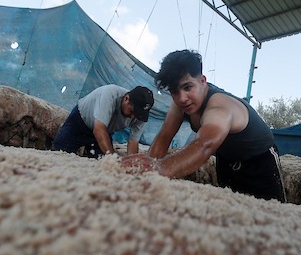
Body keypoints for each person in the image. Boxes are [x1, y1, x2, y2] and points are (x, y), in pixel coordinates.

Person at [121, 49, 286, 202]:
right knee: (230, 211)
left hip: (259, 162)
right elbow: (164, 136)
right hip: (226, 161)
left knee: (273, 218)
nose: (182, 98)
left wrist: (160, 168)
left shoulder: (220, 106)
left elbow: (205, 144)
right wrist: (145, 168)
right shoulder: (180, 105)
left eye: (187, 87)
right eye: (174, 91)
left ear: (203, 81)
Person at [53, 84, 154, 157]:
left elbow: (133, 143)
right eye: (132, 111)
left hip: (105, 132)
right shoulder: (110, 93)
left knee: (101, 163)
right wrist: (113, 160)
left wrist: (132, 162)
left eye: (137, 115)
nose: (133, 117)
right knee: (59, 153)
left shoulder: (141, 116)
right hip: (79, 122)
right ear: (126, 98)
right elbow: (98, 129)